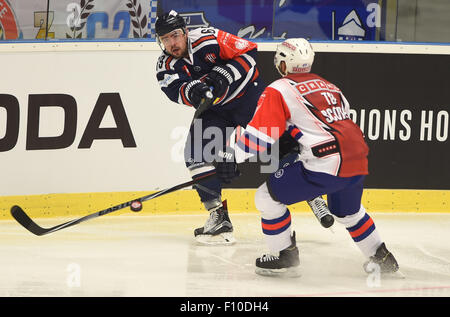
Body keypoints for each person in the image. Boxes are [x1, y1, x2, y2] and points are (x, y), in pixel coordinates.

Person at [234, 38, 400, 277]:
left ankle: (284, 257)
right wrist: (294, 136)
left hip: (326, 162)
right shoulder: (330, 86)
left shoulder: (279, 88)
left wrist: (230, 158)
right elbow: (331, 123)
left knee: (266, 198)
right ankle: (382, 258)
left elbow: (260, 136)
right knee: (349, 213)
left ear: (282, 64)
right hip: (358, 157)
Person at [155, 10, 266, 245]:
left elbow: (249, 52)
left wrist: (225, 72)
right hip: (216, 110)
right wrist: (192, 91)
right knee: (194, 155)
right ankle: (218, 215)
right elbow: (175, 91)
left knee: (278, 146)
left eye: (175, 35)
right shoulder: (164, 65)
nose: (171, 43)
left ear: (185, 32)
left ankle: (313, 196)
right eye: (165, 39)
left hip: (249, 97)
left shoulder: (209, 38)